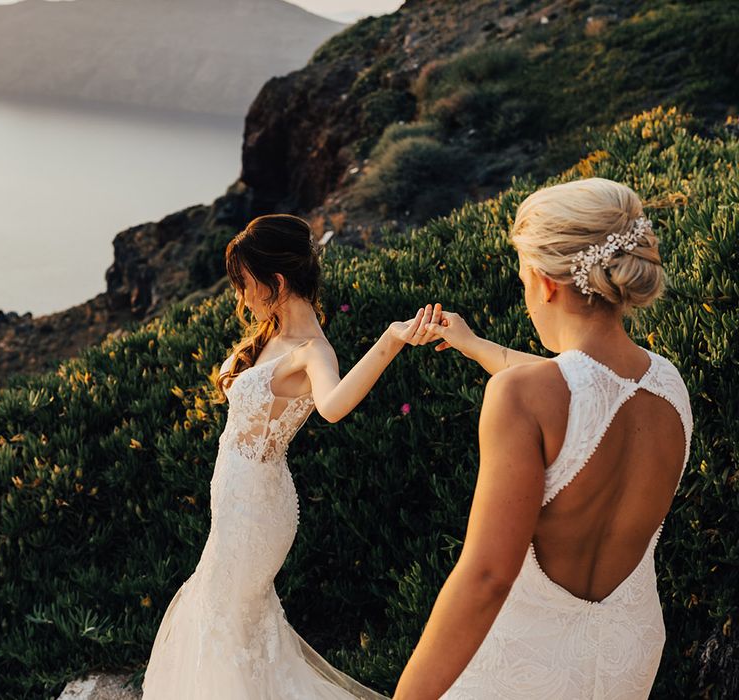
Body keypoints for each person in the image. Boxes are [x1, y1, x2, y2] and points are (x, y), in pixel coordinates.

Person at [394, 177, 693, 699]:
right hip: (628, 651)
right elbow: (588, 388)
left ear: (544, 281)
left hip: (529, 665)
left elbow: (487, 577)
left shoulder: (524, 396)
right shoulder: (668, 383)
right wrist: (474, 346)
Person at [141, 214, 440, 699]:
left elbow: (335, 406)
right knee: (232, 617)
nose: (240, 297)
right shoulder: (272, 334)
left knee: (223, 614)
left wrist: (391, 339)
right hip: (238, 500)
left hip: (258, 510)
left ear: (276, 281)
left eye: (244, 284)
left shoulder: (311, 350)